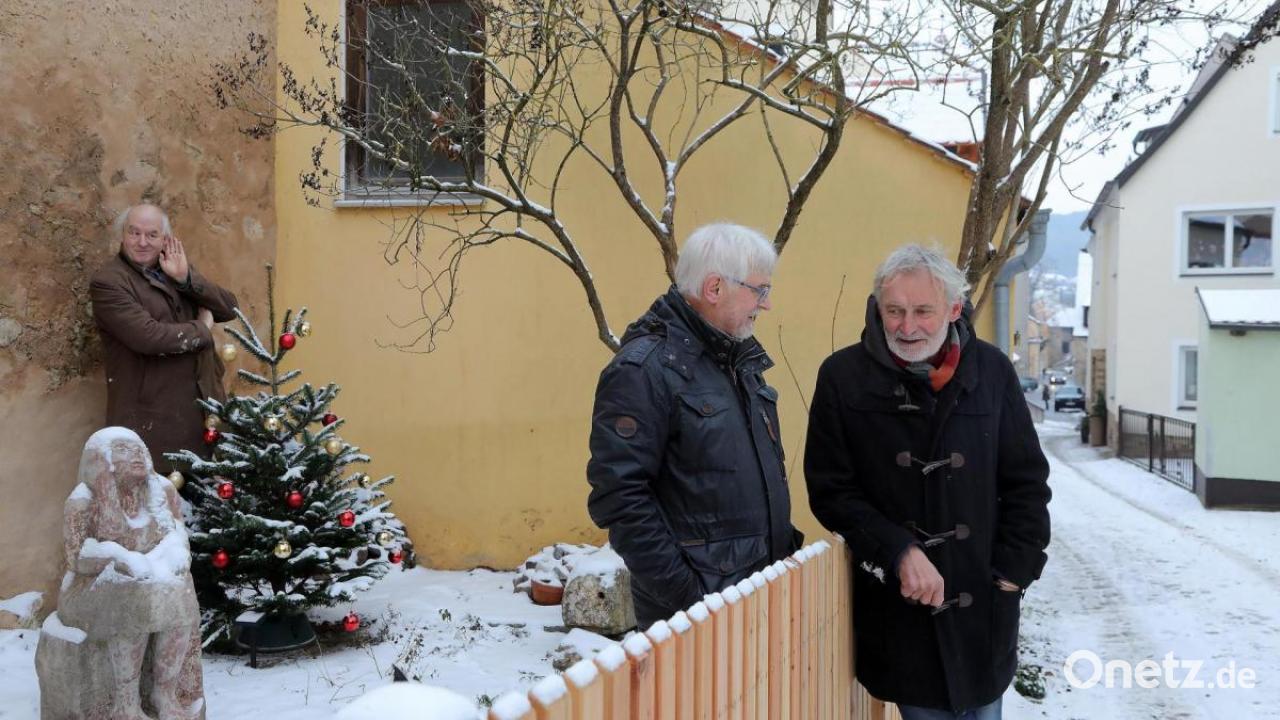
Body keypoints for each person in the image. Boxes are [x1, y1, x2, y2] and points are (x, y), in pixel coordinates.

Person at [804, 245, 1051, 719]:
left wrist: (1013, 572)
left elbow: (1027, 482)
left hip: (984, 611)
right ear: (878, 307)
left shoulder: (993, 371)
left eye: (922, 311)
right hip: (901, 614)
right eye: (894, 311)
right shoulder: (842, 377)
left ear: (953, 309)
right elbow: (831, 490)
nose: (907, 326)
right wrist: (898, 550)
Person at [586, 223, 802, 629]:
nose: (766, 304)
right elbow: (620, 496)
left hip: (753, 597)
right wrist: (688, 597)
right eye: (759, 290)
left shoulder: (736, 361)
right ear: (715, 288)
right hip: (696, 617)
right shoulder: (645, 370)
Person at [90, 204, 238, 474]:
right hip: (153, 421)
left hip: (202, 411)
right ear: (122, 235)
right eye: (134, 233)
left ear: (165, 239)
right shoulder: (109, 282)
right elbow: (149, 337)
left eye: (152, 235)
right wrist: (202, 329)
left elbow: (228, 308)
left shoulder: (174, 268)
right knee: (158, 508)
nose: (142, 242)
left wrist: (186, 279)